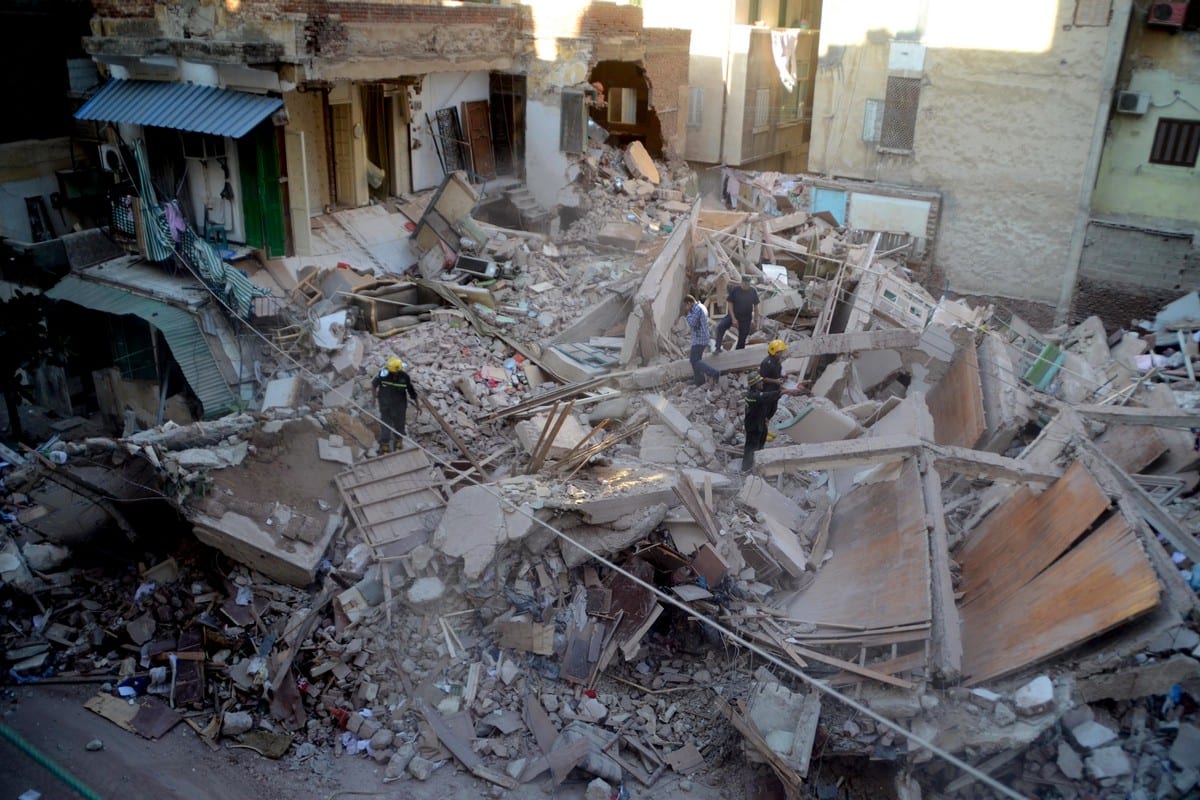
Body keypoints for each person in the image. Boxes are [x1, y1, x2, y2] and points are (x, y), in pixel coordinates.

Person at [372, 356, 419, 453]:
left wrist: (417, 405)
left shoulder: (404, 377)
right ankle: (385, 444)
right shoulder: (383, 374)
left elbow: (411, 391)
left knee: (399, 424)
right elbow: (374, 384)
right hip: (385, 405)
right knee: (385, 424)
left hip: (400, 406)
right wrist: (374, 397)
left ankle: (398, 442)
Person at [714, 274, 760, 352]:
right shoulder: (736, 290)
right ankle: (718, 347)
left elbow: (756, 307)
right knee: (721, 326)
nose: (747, 286)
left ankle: (738, 352)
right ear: (742, 282)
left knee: (743, 336)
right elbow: (730, 303)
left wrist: (755, 321)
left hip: (746, 318)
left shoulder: (753, 291)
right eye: (746, 284)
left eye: (749, 284)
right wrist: (733, 318)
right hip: (734, 315)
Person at [685, 295, 720, 387]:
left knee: (694, 360)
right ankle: (699, 381)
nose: (686, 308)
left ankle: (713, 372)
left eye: (686, 305)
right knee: (696, 360)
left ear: (690, 303)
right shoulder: (701, 306)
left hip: (699, 339)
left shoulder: (697, 309)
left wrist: (688, 314)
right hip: (701, 338)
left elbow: (692, 323)